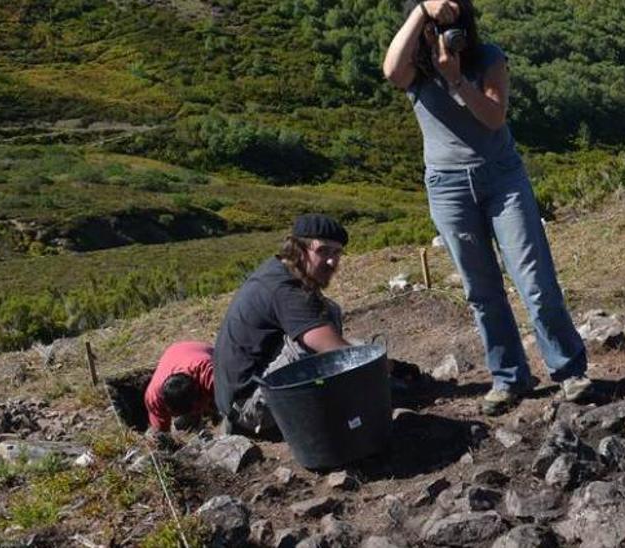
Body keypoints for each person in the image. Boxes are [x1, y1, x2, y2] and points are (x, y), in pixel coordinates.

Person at [383, 0, 592, 415]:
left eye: (449, 25)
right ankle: (509, 377)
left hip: (501, 178)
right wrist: (422, 10)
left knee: (534, 281)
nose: (441, 34)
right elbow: (390, 70)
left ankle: (569, 371)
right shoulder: (415, 71)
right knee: (481, 290)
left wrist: (457, 79)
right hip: (447, 187)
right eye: (432, 28)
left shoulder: (489, 58)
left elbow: (494, 118)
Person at [213, 214, 353, 436]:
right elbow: (334, 349)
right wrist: (385, 370)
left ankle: (326, 392)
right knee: (308, 344)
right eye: (323, 251)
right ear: (298, 249)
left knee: (327, 310)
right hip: (249, 407)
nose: (332, 261)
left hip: (242, 391)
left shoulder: (279, 268)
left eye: (337, 253)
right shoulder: (285, 289)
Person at [144, 341, 215, 433]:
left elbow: (233, 394)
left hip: (196, 349)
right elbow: (162, 433)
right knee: (182, 425)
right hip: (174, 354)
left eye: (194, 409)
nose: (195, 411)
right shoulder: (154, 398)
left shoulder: (207, 372)